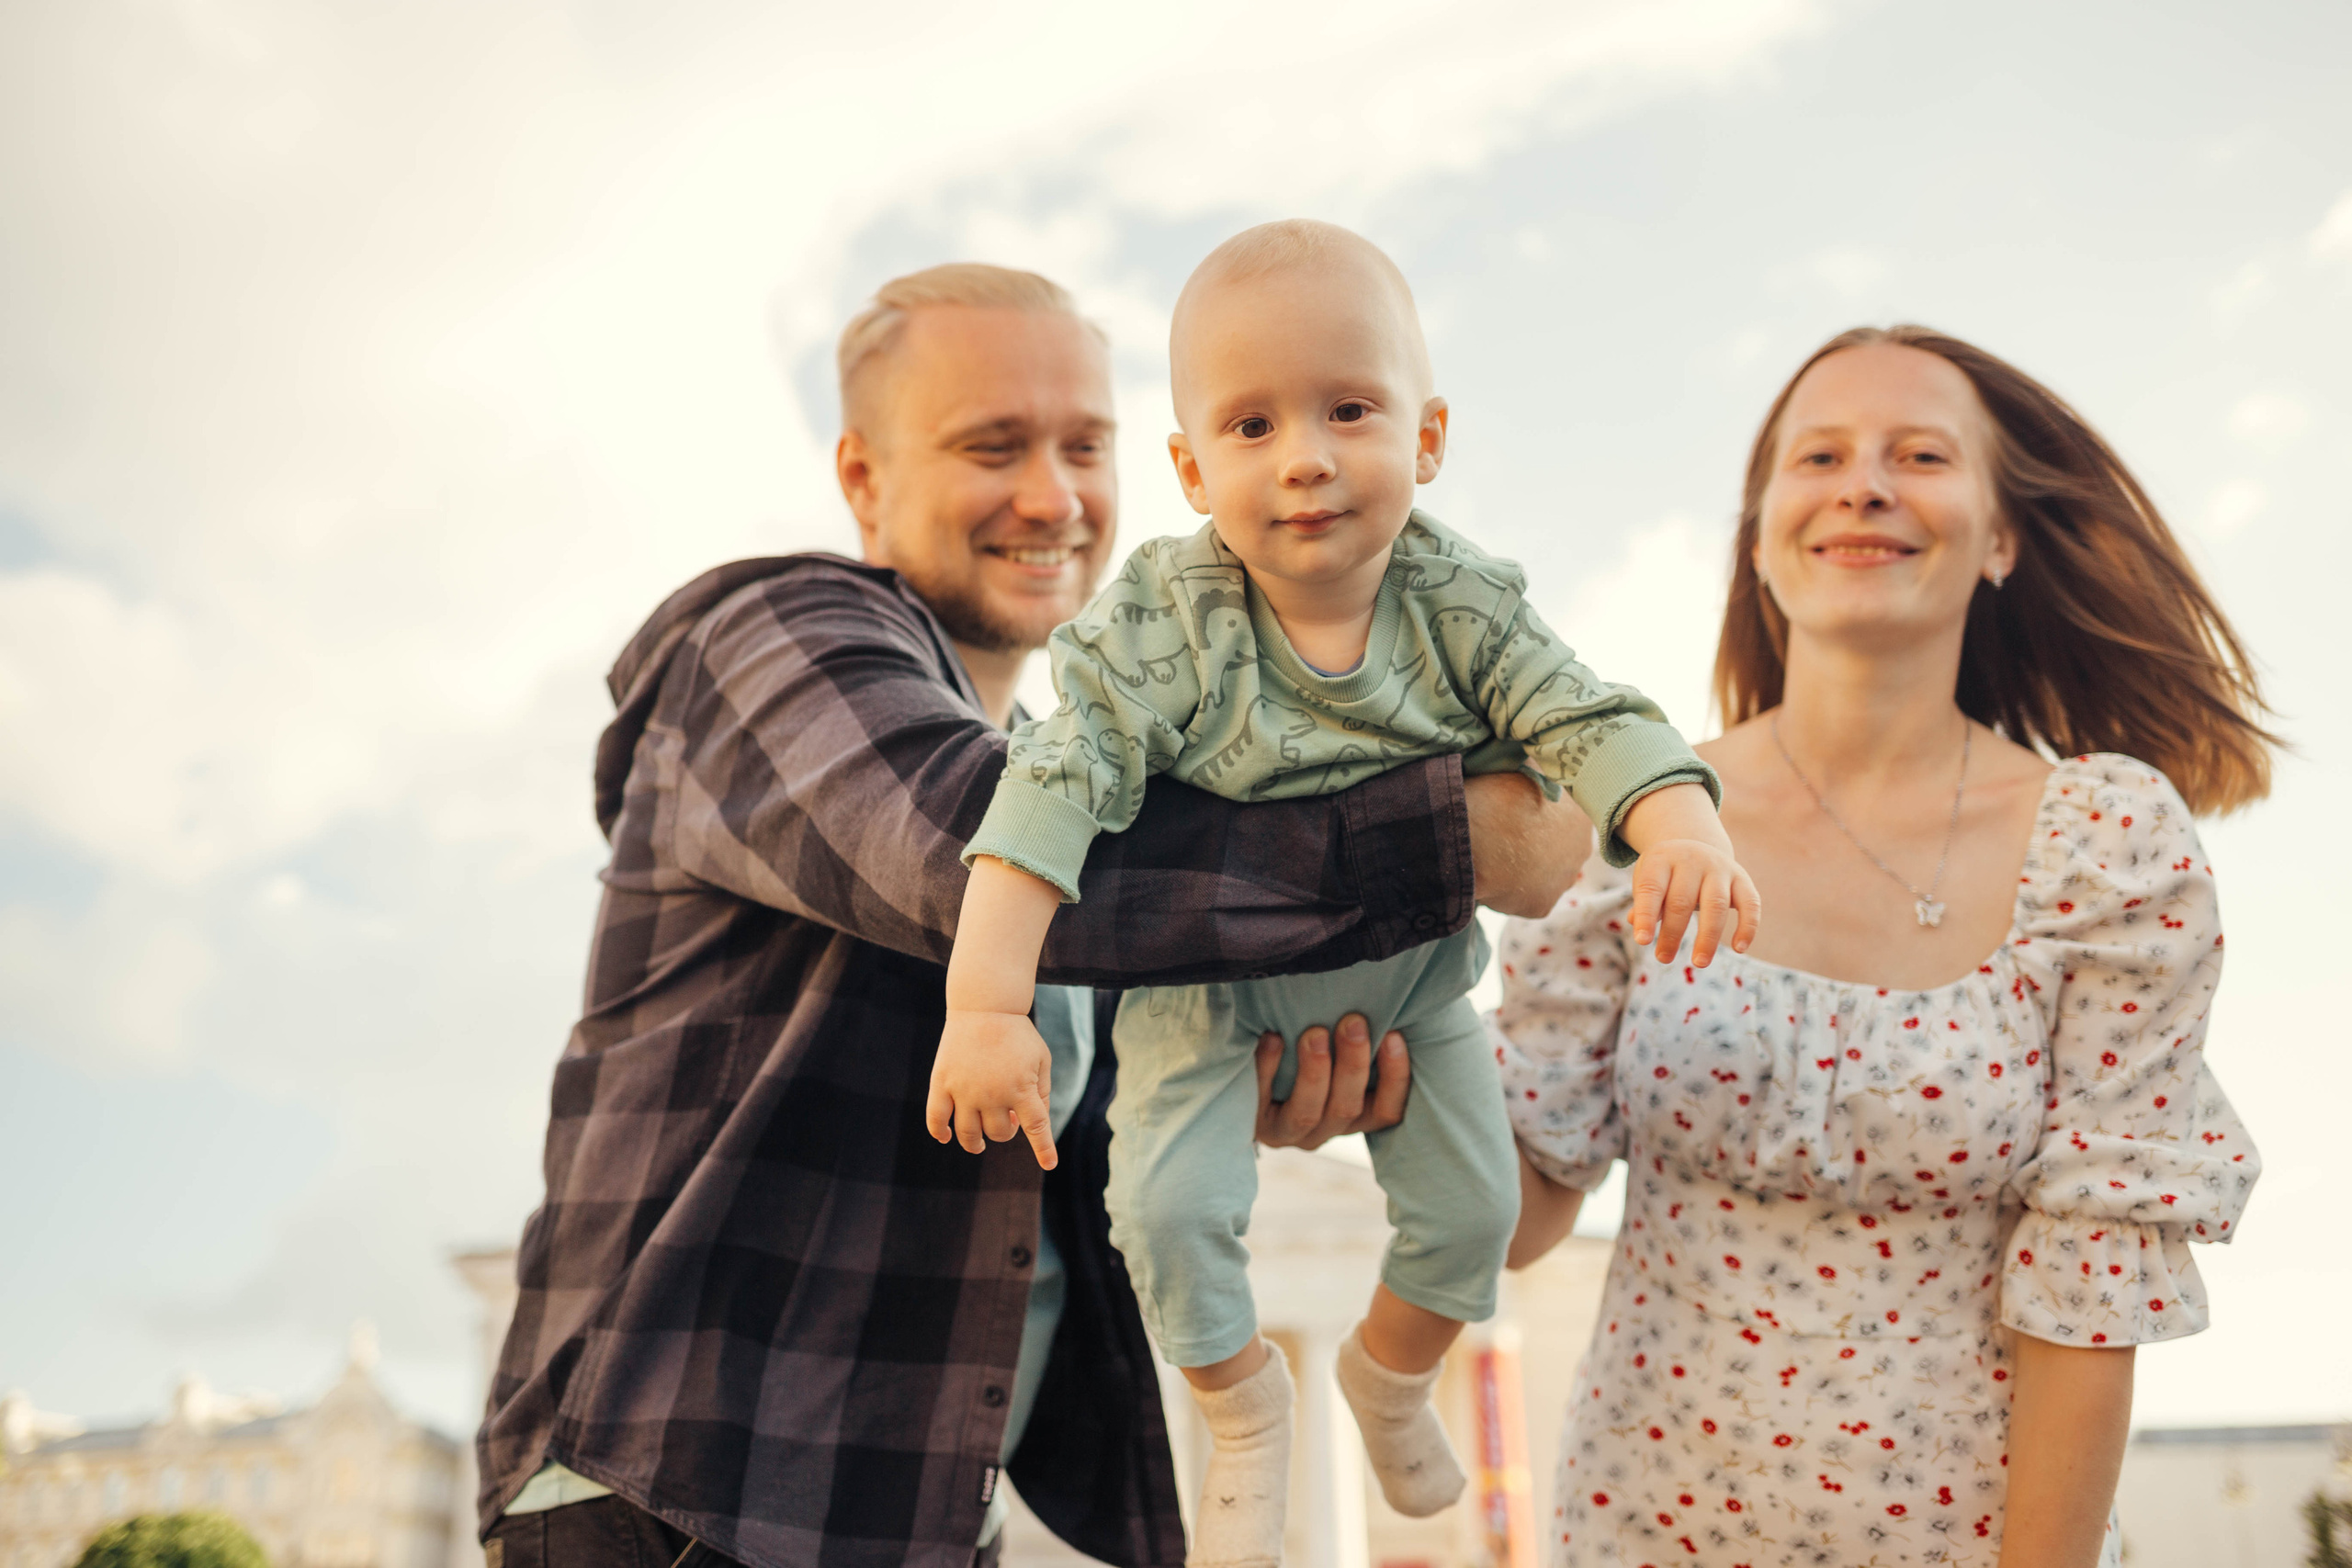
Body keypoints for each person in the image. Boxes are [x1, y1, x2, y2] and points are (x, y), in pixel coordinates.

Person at [472, 262, 1594, 1568]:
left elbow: (1137, 1078)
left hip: (923, 1508)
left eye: (1085, 445)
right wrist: (1458, 834)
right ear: (863, 479)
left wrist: (1274, 1067)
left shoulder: (1124, 775)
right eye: (991, 446)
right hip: (678, 1490)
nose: (1053, 497)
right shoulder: (772, 632)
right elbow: (964, 847)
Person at [929, 221, 1758, 1562]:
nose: (1305, 454)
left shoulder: (1462, 602)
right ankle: (1242, 1405)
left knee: (1477, 1213)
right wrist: (985, 1007)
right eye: (1252, 426)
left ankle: (1388, 1373)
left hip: (1412, 993)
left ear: (1427, 439)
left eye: (1349, 408)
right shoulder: (1165, 620)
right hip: (1206, 1008)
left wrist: (1677, 826)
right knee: (1164, 1214)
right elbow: (1048, 795)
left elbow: (1582, 717)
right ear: (1195, 470)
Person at [1498, 325, 2275, 1567]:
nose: (1865, 483)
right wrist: (1372, 1076)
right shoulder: (1638, 814)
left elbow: (2092, 1279)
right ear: (1760, 538)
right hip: (1639, 1533)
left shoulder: (2108, 847)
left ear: (2003, 536)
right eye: (1820, 456)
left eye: (1919, 454)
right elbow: (1525, 1208)